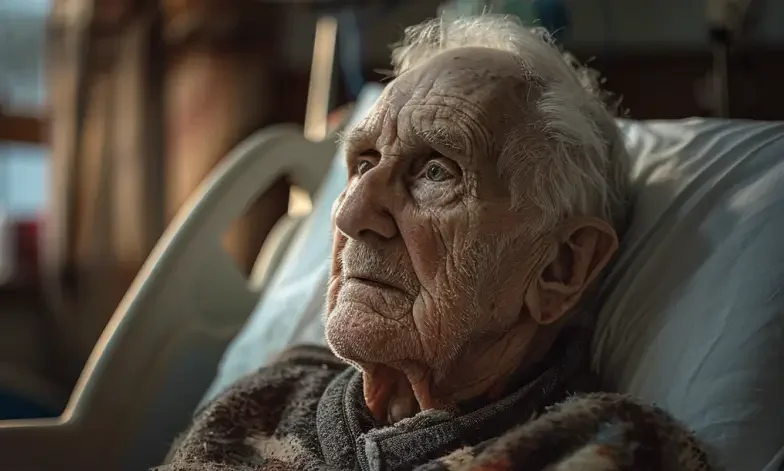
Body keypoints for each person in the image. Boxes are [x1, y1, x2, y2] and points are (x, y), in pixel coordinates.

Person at [156, 15, 711, 471]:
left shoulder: (605, 445)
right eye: (363, 163)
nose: (350, 214)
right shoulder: (263, 400)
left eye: (436, 172)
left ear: (560, 268)